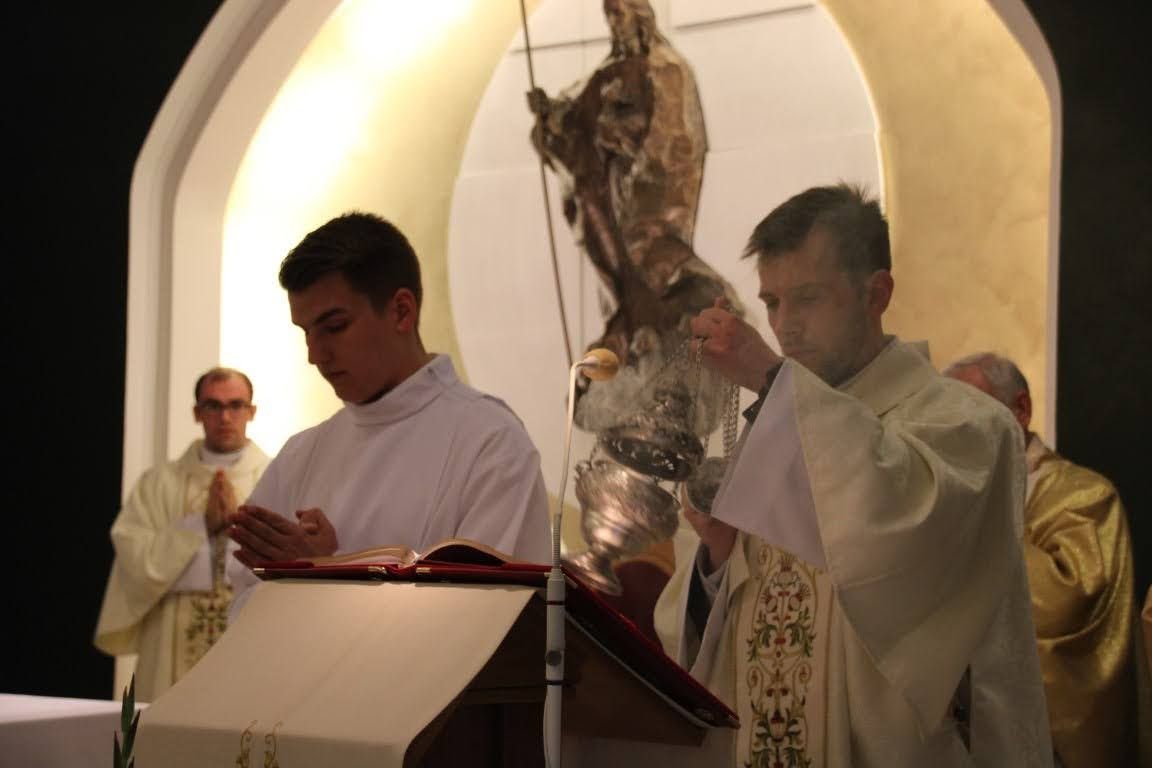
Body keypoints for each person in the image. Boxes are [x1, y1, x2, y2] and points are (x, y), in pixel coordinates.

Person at [653, 184, 1052, 766]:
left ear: (877, 293)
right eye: (772, 302)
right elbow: (704, 640)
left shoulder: (969, 425)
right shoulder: (772, 431)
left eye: (808, 298)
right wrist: (715, 556)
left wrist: (770, 376)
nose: (785, 326)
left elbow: (894, 531)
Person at [226, 213, 550, 593]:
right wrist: (307, 573)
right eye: (306, 332)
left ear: (401, 311)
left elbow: (483, 612)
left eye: (334, 327)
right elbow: (243, 598)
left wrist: (325, 572)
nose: (315, 355)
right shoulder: (301, 455)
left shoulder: (489, 442)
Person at [944, 352, 1136, 767]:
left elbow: (1064, 602)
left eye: (973, 415)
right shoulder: (952, 497)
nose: (960, 433)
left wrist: (980, 520)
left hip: (1047, 738)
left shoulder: (1084, 496)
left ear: (1022, 409)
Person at [94, 368, 269, 702]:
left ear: (252, 411)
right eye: (213, 406)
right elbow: (135, 559)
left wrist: (237, 526)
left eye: (236, 405)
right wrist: (200, 526)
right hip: (169, 641)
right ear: (197, 413)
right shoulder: (159, 483)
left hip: (250, 636)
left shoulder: (274, 476)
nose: (225, 417)